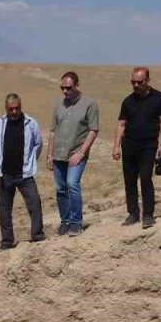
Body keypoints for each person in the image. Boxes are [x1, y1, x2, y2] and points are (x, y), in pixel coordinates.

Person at [113, 67, 161, 230]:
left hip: (148, 145)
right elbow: (121, 123)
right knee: (129, 180)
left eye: (140, 82)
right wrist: (116, 146)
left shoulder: (159, 98)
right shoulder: (128, 101)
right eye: (133, 82)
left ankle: (148, 215)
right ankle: (132, 213)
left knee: (145, 178)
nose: (136, 85)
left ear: (147, 81)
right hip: (129, 145)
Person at [0, 93, 45, 250]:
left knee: (35, 203)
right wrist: (1, 161)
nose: (14, 112)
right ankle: (7, 241)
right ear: (6, 108)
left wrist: (30, 162)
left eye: (17, 108)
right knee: (4, 209)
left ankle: (38, 236)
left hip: (25, 174)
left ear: (21, 107)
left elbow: (38, 144)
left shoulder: (31, 123)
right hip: (5, 173)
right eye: (11, 109)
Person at [48, 71, 99, 236]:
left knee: (72, 184)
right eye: (62, 88)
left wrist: (81, 153)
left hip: (76, 154)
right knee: (61, 189)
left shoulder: (89, 104)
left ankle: (76, 222)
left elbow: (93, 130)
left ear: (77, 85)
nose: (65, 91)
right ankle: (66, 220)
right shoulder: (59, 105)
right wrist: (49, 155)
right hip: (58, 155)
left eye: (68, 88)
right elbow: (52, 132)